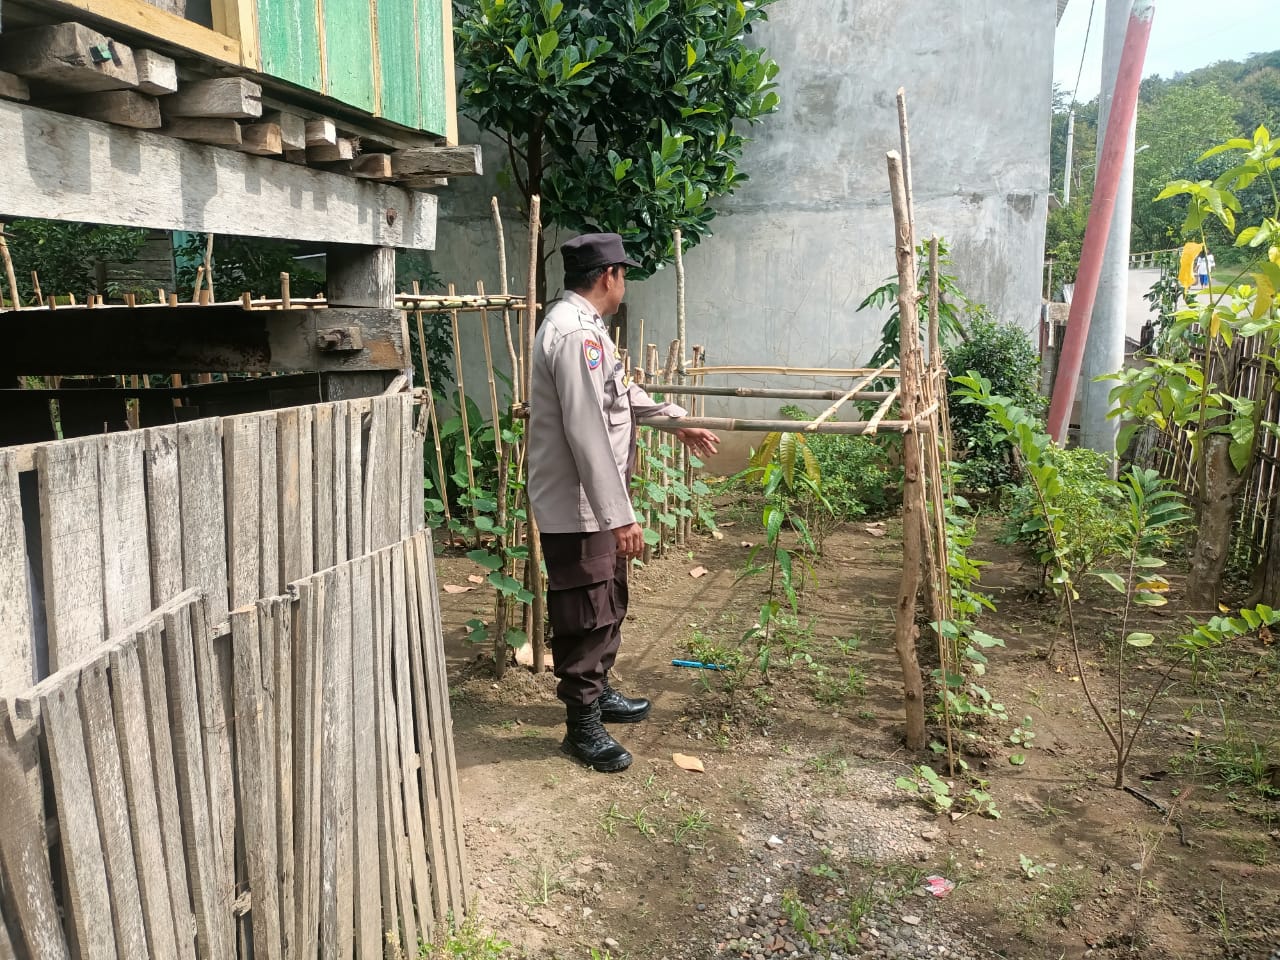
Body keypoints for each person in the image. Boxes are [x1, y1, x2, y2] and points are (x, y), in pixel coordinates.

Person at [527, 233, 721, 773]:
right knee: (585, 611)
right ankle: (582, 723)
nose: (625, 284)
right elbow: (587, 429)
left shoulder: (587, 328)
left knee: (608, 596)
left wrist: (676, 422)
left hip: (595, 501)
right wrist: (620, 516)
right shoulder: (574, 335)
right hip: (580, 503)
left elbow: (620, 394)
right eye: (624, 275)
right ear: (608, 276)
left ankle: (600, 690)